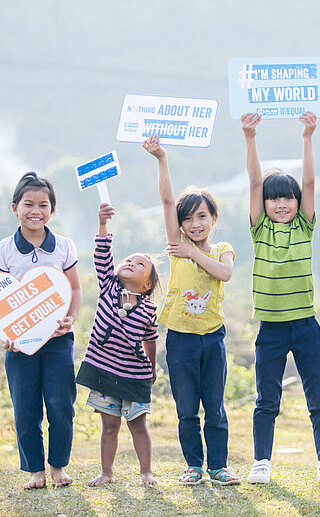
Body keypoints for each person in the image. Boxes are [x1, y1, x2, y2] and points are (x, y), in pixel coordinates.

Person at [241, 111, 320, 484]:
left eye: (288, 199)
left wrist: (308, 136)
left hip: (305, 325)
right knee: (267, 399)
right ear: (264, 204)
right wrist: (250, 137)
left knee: (318, 397)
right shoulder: (259, 229)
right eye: (274, 199)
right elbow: (253, 180)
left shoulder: (304, 225)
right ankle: (261, 462)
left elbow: (310, 180)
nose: (281, 205)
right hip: (271, 328)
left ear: (298, 202)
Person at [144, 134, 239, 486]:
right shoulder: (176, 243)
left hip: (213, 338)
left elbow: (224, 273)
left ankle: (219, 466)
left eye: (202, 216)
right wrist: (161, 158)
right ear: (181, 225)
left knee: (214, 407)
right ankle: (194, 467)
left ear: (214, 218)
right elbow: (168, 201)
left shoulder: (222, 249)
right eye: (188, 219)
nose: (195, 224)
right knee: (187, 410)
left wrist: (194, 254)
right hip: (181, 339)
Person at [0, 172, 82, 489]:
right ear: (15, 207)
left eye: (43, 205)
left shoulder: (63, 246)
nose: (36, 211)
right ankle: (36, 471)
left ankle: (58, 467)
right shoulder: (5, 249)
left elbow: (74, 290)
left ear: (52, 210)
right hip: (18, 345)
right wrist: (4, 333)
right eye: (28, 204)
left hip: (58, 341)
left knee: (61, 405)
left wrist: (70, 318)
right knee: (25, 410)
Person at [76, 203, 160, 486]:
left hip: (134, 373)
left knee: (138, 425)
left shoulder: (148, 309)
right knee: (109, 426)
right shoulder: (109, 287)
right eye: (127, 260)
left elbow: (150, 339)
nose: (130, 263)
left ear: (147, 284)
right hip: (103, 371)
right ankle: (106, 473)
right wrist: (102, 225)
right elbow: (102, 255)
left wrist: (152, 367)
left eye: (139, 265)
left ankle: (146, 471)